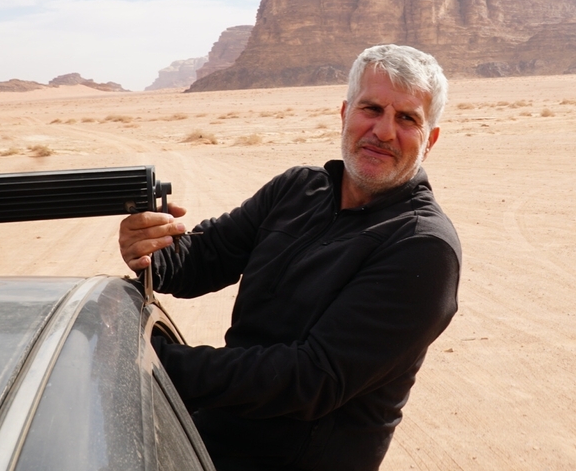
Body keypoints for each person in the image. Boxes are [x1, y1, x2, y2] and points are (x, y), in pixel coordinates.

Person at [119, 44, 461, 471]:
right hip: (206, 445)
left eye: (407, 118)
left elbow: (310, 378)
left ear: (430, 139)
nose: (384, 131)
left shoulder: (423, 248)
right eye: (371, 108)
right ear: (344, 113)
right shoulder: (297, 189)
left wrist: (153, 364)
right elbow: (205, 257)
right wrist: (153, 244)